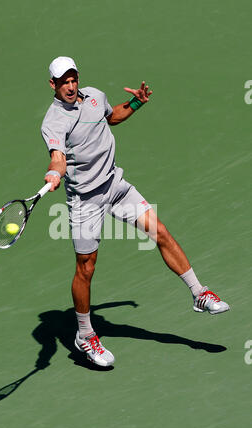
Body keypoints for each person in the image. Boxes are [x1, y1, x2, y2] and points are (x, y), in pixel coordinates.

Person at [41, 56, 230, 368]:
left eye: (74, 79)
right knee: (85, 268)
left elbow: (111, 117)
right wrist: (54, 172)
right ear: (54, 85)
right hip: (85, 201)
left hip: (115, 186)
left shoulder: (94, 96)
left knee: (161, 232)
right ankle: (85, 335)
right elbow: (58, 157)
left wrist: (136, 104)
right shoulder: (53, 121)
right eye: (65, 82)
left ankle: (199, 293)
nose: (71, 86)